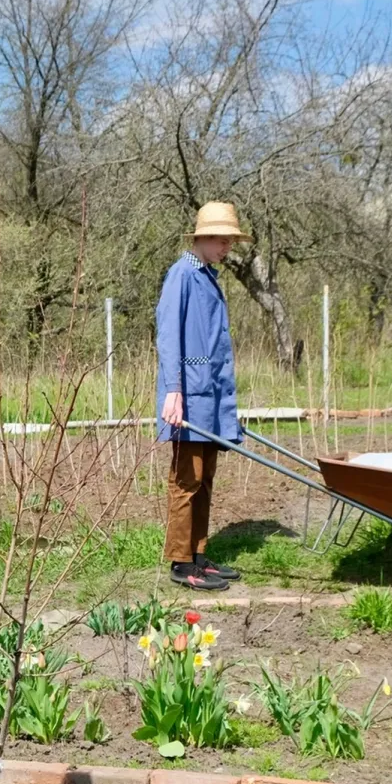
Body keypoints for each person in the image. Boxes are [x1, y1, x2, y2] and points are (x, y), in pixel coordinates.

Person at [156, 201, 247, 592]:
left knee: (205, 478)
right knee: (186, 480)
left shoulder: (208, 275)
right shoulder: (182, 274)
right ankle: (180, 562)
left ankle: (198, 555)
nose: (226, 246)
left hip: (210, 397)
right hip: (188, 396)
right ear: (202, 238)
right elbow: (169, 336)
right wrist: (173, 391)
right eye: (221, 239)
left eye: (230, 240)